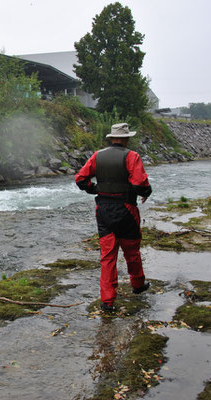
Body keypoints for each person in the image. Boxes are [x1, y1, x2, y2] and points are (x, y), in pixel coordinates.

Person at [75, 122, 152, 312]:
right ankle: (137, 285)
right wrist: (145, 192)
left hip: (103, 209)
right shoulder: (131, 156)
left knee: (108, 256)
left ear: (111, 138)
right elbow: (141, 184)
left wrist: (95, 189)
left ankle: (107, 301)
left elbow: (80, 179)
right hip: (126, 209)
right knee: (132, 251)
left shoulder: (97, 156)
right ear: (126, 138)